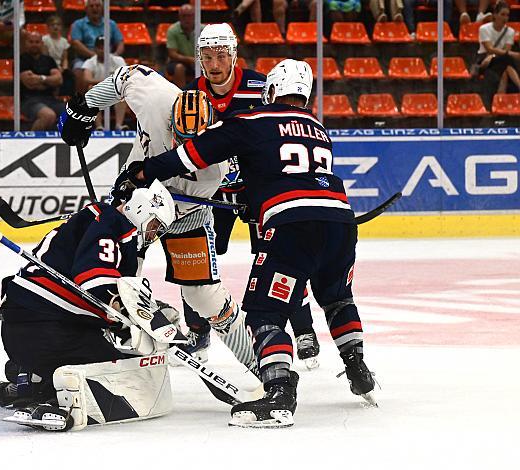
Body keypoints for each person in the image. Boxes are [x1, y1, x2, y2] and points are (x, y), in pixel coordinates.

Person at [121, 59, 377, 427]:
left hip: (293, 225)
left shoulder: (253, 120)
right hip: (339, 221)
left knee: (264, 311)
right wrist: (250, 196)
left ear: (270, 91)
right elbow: (283, 172)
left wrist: (144, 171)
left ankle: (278, 395)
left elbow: (190, 156)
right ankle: (358, 370)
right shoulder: (319, 129)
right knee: (337, 297)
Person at [58, 65, 259, 375]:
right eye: (178, 138)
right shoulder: (155, 98)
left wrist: (142, 218)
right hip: (130, 203)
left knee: (203, 296)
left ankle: (262, 364)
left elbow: (160, 215)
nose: (182, 149)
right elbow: (121, 77)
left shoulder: (213, 169)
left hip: (181, 214)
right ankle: (104, 354)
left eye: (192, 143)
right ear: (170, 119)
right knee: (116, 285)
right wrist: (84, 108)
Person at [0, 181, 178, 431]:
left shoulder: (96, 220)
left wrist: (123, 319)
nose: (155, 234)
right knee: (117, 368)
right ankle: (57, 400)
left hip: (19, 331)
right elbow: (95, 282)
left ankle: (29, 381)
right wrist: (133, 315)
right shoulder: (114, 226)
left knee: (99, 343)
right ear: (141, 210)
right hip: (48, 334)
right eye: (155, 224)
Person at [184, 23, 321, 369]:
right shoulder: (189, 96)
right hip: (213, 194)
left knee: (278, 256)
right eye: (208, 57)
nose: (214, 64)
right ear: (199, 59)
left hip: (259, 190)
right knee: (194, 252)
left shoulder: (262, 87)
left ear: (233, 55)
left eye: (221, 56)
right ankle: (197, 328)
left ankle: (303, 328)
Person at [70, 0, 125, 93]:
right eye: (91, 6)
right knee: (79, 70)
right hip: (85, 58)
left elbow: (120, 42)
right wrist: (94, 55)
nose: (95, 8)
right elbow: (76, 43)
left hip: (108, 56)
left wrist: (114, 55)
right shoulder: (78, 24)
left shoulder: (111, 24)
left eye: (97, 6)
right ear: (86, 9)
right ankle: (80, 103)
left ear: (102, 8)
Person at [82, 36, 128, 130]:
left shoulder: (118, 60)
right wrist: (107, 82)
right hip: (98, 91)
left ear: (110, 48)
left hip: (114, 91)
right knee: (90, 89)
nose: (102, 50)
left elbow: (124, 77)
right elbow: (87, 79)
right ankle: (99, 126)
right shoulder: (90, 62)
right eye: (100, 47)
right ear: (95, 48)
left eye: (105, 47)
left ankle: (119, 125)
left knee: (123, 90)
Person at [20, 32, 64, 130]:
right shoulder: (21, 60)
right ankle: (31, 140)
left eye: (37, 42)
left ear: (42, 43)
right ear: (26, 43)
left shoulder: (49, 60)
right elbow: (29, 82)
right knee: (48, 116)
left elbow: (59, 80)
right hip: (29, 100)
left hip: (51, 99)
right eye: (31, 42)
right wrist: (49, 82)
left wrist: (41, 79)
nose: (34, 44)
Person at [476, 1, 520, 95]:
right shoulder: (484, 29)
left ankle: (500, 98)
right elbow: (489, 49)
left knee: (504, 67)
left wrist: (495, 56)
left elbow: (506, 51)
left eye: (507, 15)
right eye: (502, 14)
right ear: (495, 15)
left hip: (499, 58)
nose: (505, 18)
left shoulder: (510, 31)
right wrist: (493, 56)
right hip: (485, 58)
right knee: (507, 60)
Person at [165, 4, 199, 89]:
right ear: (179, 17)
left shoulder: (203, 29)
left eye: (190, 16)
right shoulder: (172, 30)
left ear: (194, 16)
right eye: (184, 16)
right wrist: (190, 59)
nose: (187, 19)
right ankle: (182, 96)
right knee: (179, 68)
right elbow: (172, 54)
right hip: (178, 62)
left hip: (198, 61)